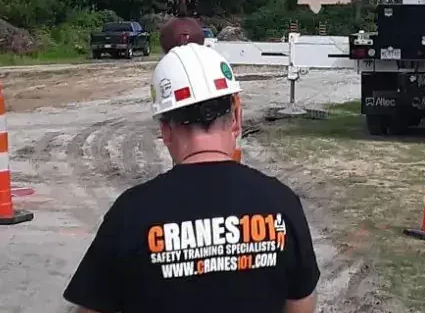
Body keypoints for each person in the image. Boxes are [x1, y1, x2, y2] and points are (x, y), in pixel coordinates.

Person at [62, 43, 320, 313]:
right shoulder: (282, 203)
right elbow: (300, 304)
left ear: (166, 129)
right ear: (236, 118)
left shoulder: (131, 213)